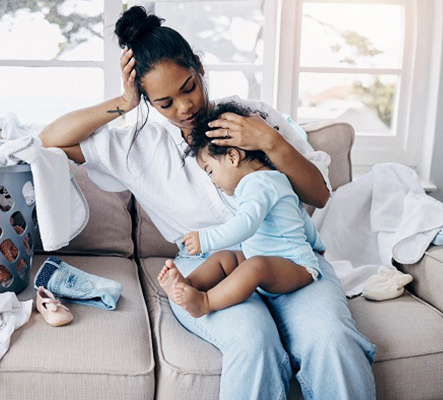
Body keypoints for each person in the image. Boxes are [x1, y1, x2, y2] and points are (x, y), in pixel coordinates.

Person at [40, 5, 376, 399]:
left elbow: (319, 194)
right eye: (164, 102)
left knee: (332, 340)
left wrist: (270, 141)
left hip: (287, 254)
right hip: (209, 265)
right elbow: (51, 139)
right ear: (148, 100)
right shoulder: (135, 146)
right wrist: (124, 102)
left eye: (188, 87)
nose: (184, 108)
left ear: (199, 68)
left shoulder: (253, 118)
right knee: (253, 342)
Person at [158, 101, 326, 319]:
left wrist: (205, 240)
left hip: (296, 267)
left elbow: (246, 225)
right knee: (225, 258)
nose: (213, 181)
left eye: (210, 171)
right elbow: (301, 217)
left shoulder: (260, 183)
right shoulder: (272, 180)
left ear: (232, 157)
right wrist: (317, 244)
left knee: (255, 266)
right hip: (271, 262)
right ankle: (188, 285)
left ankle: (205, 302)